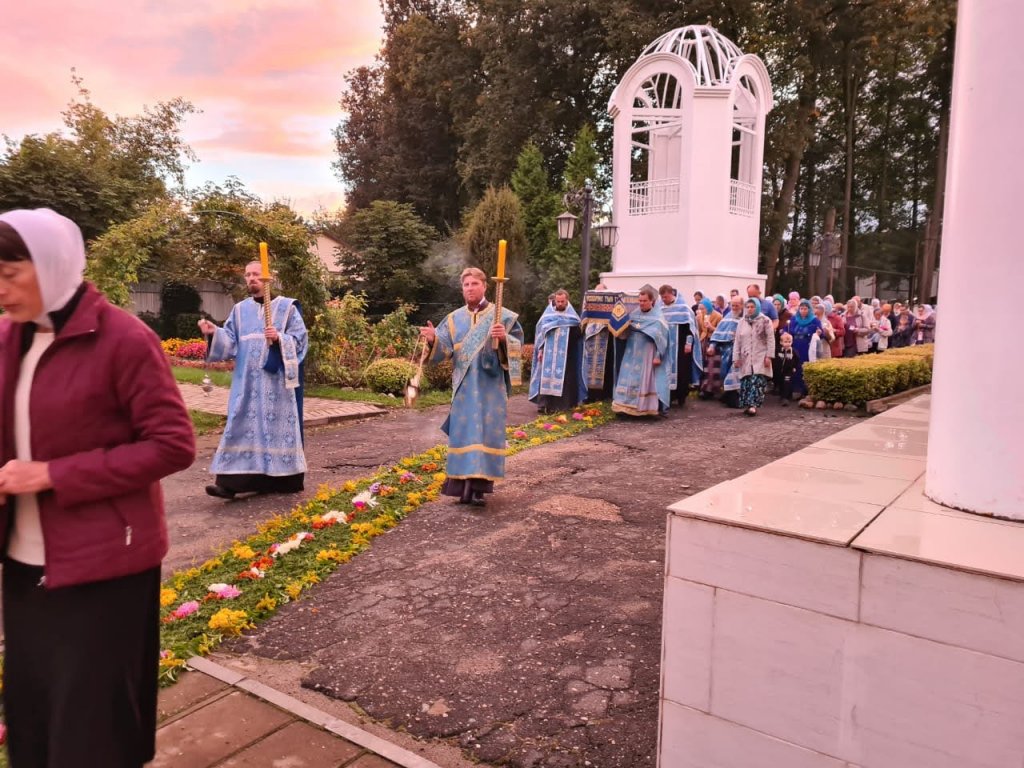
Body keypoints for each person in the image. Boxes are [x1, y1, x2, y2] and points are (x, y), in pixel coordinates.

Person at [0, 209, 195, 767]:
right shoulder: (8, 336)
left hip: (105, 565)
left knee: (91, 726)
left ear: (51, 265)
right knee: (35, 713)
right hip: (23, 562)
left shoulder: (124, 340)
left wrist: (53, 474)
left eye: (10, 274)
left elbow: (173, 444)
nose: (0, 289)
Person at [199, 261, 308, 499]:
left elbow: (300, 341)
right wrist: (214, 332)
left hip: (277, 386)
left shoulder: (288, 308)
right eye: (248, 275)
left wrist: (279, 338)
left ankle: (282, 481)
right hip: (247, 384)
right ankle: (229, 484)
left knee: (275, 429)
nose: (251, 279)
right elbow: (230, 342)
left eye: (256, 274)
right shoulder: (239, 310)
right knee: (240, 426)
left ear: (269, 278)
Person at [420, 267, 523, 506]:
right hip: (464, 388)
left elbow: (517, 351)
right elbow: (444, 350)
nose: (470, 288)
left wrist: (505, 338)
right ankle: (460, 489)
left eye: (474, 284)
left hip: (490, 387)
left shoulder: (503, 316)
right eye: (466, 285)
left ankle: (478, 490)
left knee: (484, 435)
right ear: (462, 289)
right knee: (464, 434)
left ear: (485, 286)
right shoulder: (453, 319)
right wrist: (433, 339)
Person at [612, 286, 670, 416]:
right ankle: (623, 407)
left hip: (647, 353)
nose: (642, 303)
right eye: (640, 300)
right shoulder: (633, 314)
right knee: (626, 378)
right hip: (630, 351)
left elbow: (662, 340)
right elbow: (625, 332)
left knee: (644, 380)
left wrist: (658, 356)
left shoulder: (658, 319)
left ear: (652, 301)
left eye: (644, 301)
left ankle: (643, 408)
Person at [529, 289, 586, 413]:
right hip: (548, 354)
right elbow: (540, 334)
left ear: (567, 301)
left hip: (566, 355)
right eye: (558, 301)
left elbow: (578, 335)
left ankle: (563, 405)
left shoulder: (573, 317)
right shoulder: (548, 316)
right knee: (546, 378)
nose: (560, 304)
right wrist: (540, 350)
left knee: (566, 380)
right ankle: (544, 405)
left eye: (562, 301)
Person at [659, 284, 703, 409]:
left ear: (671, 294)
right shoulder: (660, 308)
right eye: (662, 297)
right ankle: (668, 396)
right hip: (666, 346)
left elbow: (690, 329)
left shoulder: (684, 308)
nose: (664, 300)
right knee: (666, 370)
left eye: (666, 297)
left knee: (682, 371)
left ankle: (681, 397)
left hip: (681, 347)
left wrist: (688, 343)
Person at [734, 296, 776, 416]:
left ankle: (753, 405)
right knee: (747, 380)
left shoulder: (765, 321)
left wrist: (769, 356)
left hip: (760, 355)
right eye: (748, 307)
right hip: (746, 356)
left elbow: (770, 339)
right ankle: (748, 405)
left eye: (752, 307)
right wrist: (736, 357)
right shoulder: (742, 322)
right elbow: (737, 341)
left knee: (756, 380)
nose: (750, 309)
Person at [703, 295, 743, 407]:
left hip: (741, 351)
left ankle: (734, 398)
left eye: (736, 305)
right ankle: (727, 394)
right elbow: (719, 333)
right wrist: (712, 345)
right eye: (732, 305)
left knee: (736, 374)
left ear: (742, 305)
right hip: (726, 350)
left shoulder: (746, 318)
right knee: (724, 373)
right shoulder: (728, 317)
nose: (734, 308)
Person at [785, 298, 823, 398]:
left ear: (809, 309)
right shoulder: (794, 319)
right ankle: (794, 389)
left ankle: (804, 390)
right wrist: (784, 332)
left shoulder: (814, 320)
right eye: (801, 308)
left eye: (805, 309)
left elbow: (821, 333)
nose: (803, 311)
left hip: (806, 346)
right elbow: (786, 329)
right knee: (794, 366)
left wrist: (819, 333)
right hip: (795, 345)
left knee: (804, 366)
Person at [775, 332, 800, 405]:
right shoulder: (779, 350)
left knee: (787, 382)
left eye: (789, 342)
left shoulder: (793, 351)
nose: (788, 344)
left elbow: (797, 359)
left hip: (789, 370)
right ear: (781, 342)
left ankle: (785, 398)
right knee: (781, 382)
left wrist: (794, 367)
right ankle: (782, 395)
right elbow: (775, 359)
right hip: (780, 370)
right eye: (785, 342)